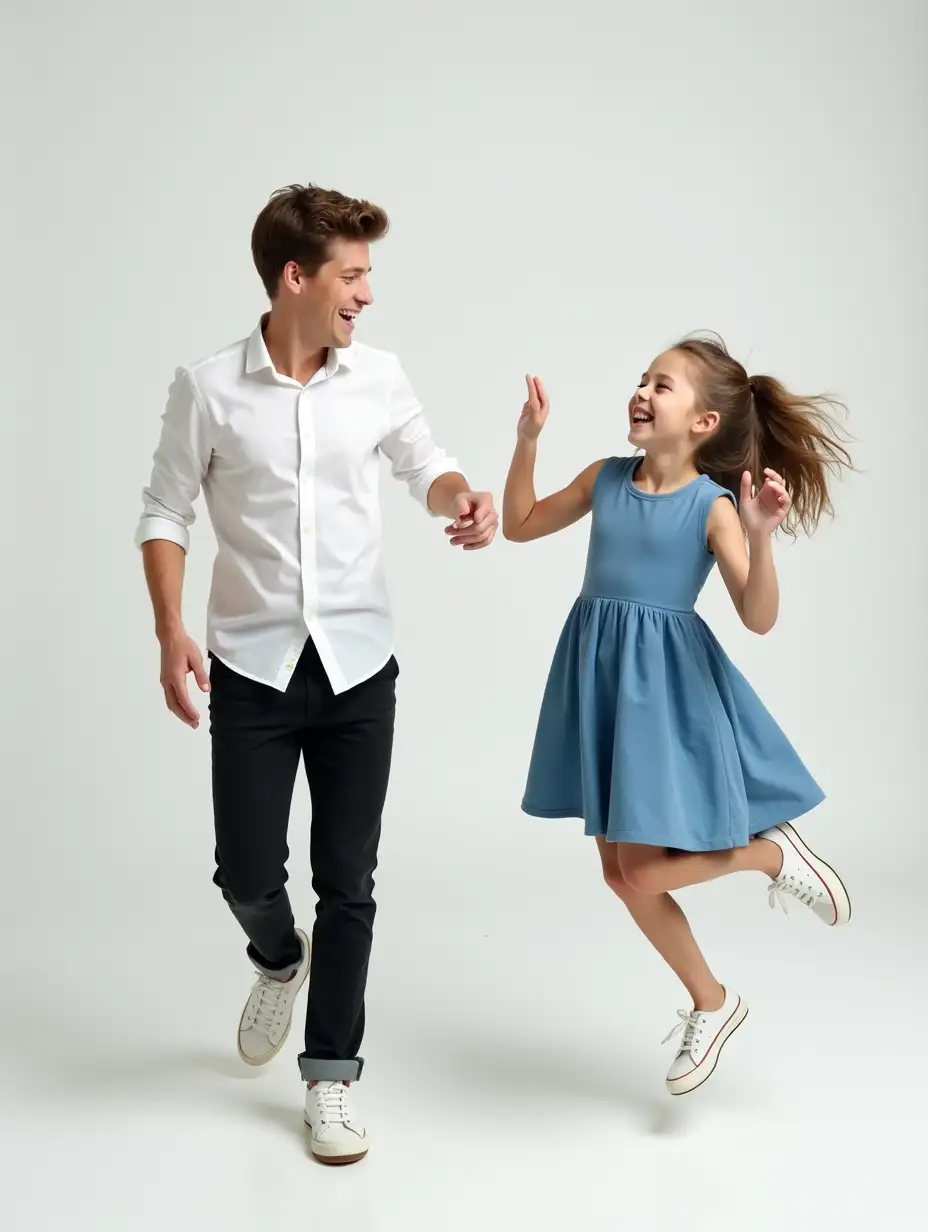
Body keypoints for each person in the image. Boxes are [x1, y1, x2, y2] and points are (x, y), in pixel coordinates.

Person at [136, 183, 498, 1163]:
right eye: (352, 273)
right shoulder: (208, 387)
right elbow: (166, 510)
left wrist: (463, 497)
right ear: (296, 277)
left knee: (350, 880)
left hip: (357, 667)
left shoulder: (377, 377)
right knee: (246, 869)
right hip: (249, 666)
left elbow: (429, 464)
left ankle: (330, 1078)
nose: (366, 293)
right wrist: (171, 629)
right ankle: (274, 955)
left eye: (367, 274)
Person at [502, 334, 852, 1096]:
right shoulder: (605, 478)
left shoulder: (711, 506)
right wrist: (527, 441)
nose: (642, 392)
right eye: (642, 380)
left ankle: (772, 857)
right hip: (598, 681)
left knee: (643, 868)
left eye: (661, 385)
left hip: (660, 694)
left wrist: (760, 539)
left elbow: (757, 617)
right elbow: (520, 522)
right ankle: (712, 1001)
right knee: (620, 875)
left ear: (702, 423)